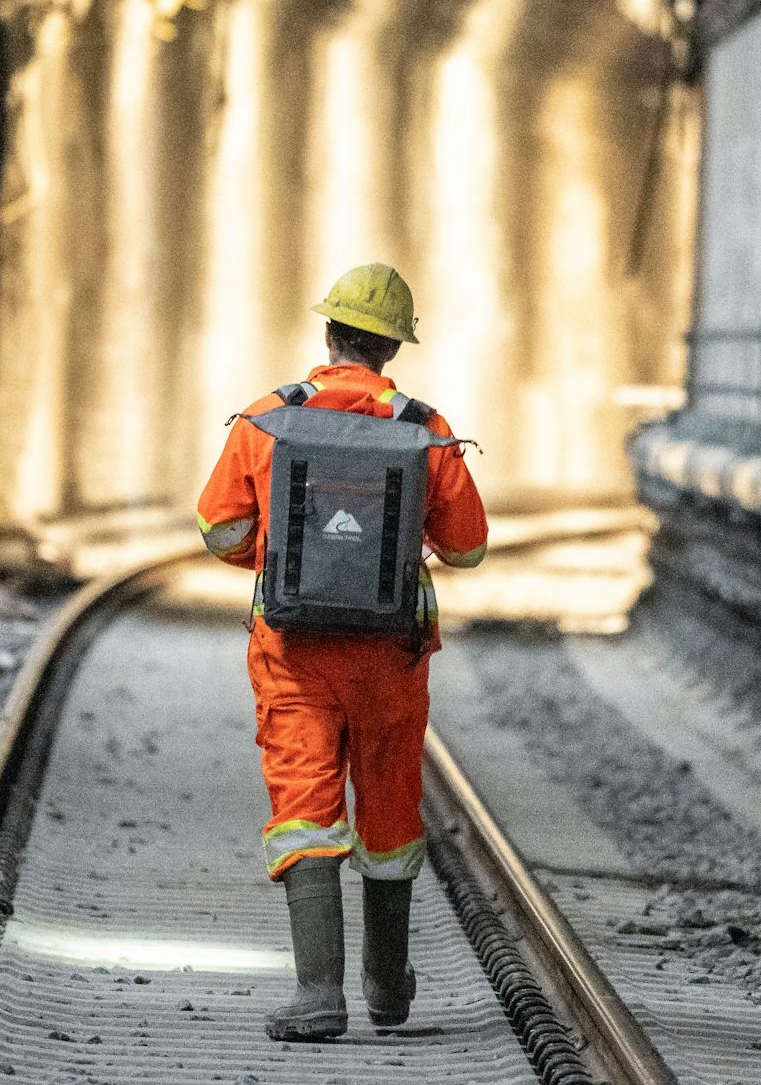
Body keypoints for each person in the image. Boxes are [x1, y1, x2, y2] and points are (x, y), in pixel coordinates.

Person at [197, 264, 488, 1042]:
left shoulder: (266, 420)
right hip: (390, 659)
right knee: (389, 811)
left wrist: (285, 556)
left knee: (303, 809)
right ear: (392, 346)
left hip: (294, 654)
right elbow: (468, 549)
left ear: (328, 334)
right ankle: (389, 989)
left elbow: (219, 529)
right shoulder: (424, 428)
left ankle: (318, 994)